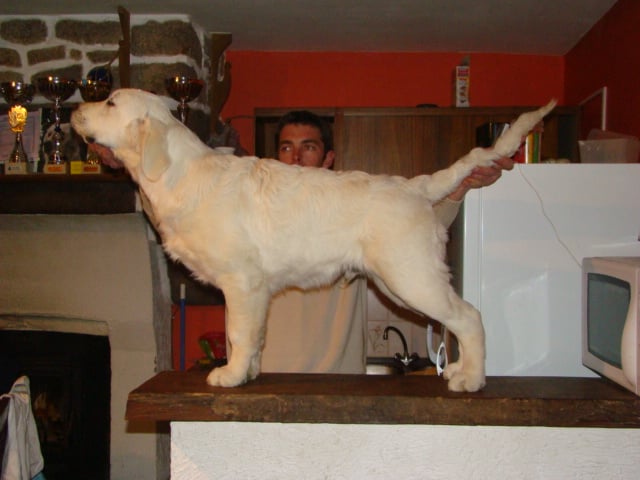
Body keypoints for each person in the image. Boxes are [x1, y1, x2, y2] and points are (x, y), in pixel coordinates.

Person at [259, 110, 513, 373]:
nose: (296, 158)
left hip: (337, 379)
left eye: (309, 147)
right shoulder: (256, 219)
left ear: (328, 159)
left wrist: (458, 189)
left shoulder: (352, 211)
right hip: (267, 376)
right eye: (286, 148)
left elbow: (408, 236)